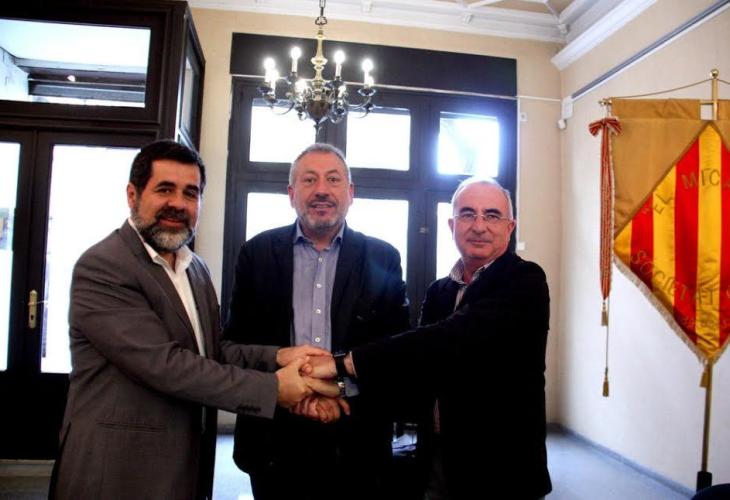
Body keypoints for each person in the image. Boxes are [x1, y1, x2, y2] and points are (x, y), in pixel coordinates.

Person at [49, 140, 336, 500]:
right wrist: (274, 389)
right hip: (117, 468)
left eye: (191, 193)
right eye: (165, 189)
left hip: (184, 463)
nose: (179, 204)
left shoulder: (194, 268)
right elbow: (166, 365)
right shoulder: (104, 266)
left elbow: (210, 352)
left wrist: (279, 356)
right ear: (133, 195)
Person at [306, 177, 552, 499]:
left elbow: (446, 340)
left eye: (492, 215)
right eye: (467, 214)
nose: (479, 226)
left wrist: (342, 364)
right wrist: (336, 389)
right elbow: (416, 373)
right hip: (437, 461)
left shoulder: (525, 280)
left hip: (502, 467)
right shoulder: (440, 291)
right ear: (452, 225)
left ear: (510, 227)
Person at [223, 143, 410, 500]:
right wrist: (290, 391)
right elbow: (234, 346)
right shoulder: (256, 254)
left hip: (357, 443)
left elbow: (395, 353)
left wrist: (339, 388)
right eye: (309, 180)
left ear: (350, 193)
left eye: (333, 179)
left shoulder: (383, 257)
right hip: (272, 442)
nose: (321, 189)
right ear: (291, 193)